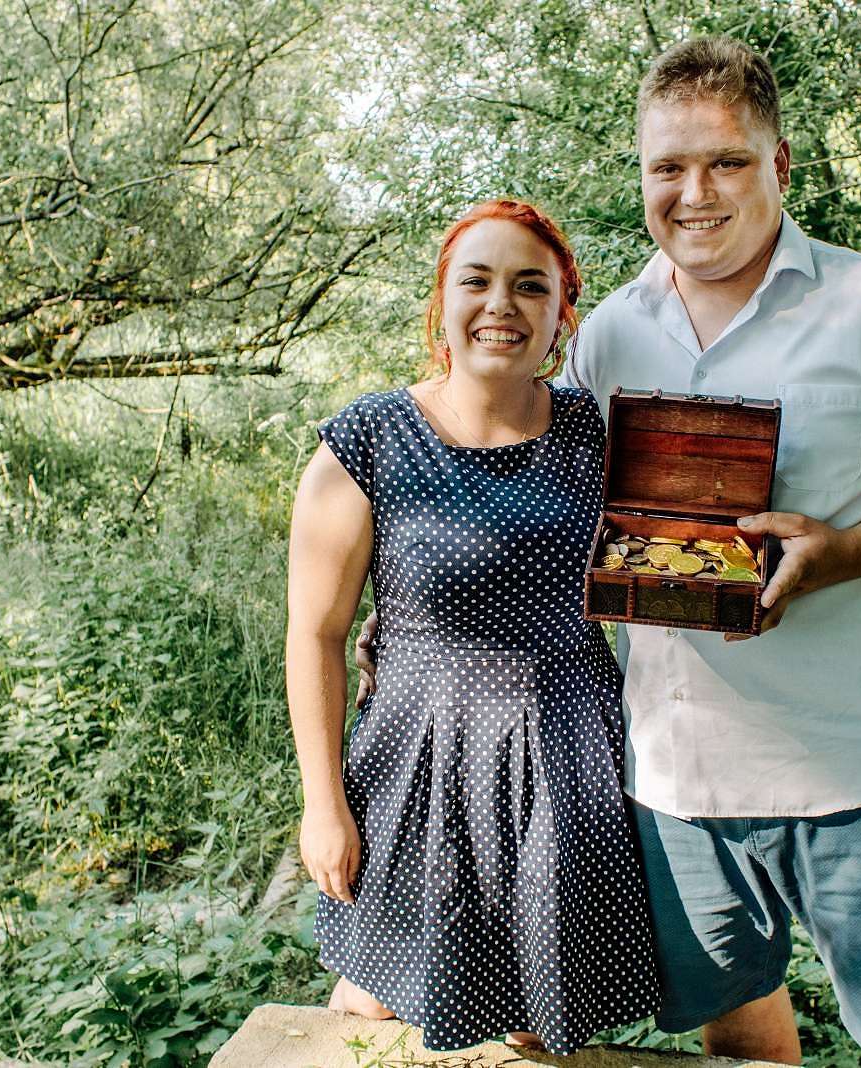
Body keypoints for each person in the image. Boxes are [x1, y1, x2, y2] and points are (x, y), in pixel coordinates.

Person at [359, 37, 861, 1068]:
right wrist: (420, 613)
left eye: (726, 161)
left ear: (779, 165)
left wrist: (842, 551)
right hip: (673, 778)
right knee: (737, 1028)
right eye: (667, 166)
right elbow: (536, 491)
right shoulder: (608, 334)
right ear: (641, 173)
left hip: (859, 769)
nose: (695, 193)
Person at [284, 199, 659, 1054]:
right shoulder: (370, 439)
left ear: (562, 313)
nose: (502, 305)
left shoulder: (596, 433)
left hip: (571, 759)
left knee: (535, 1022)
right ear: (442, 301)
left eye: (531, 286)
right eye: (477, 281)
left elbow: (677, 555)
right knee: (380, 998)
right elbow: (315, 635)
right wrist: (323, 804)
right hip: (420, 764)